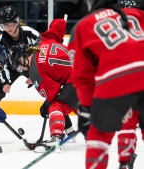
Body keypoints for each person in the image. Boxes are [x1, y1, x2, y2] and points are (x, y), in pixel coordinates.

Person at [67, 0, 144, 168]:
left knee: (98, 135)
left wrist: (87, 108)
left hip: (115, 79)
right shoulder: (136, 14)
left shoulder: (84, 25)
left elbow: (82, 76)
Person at [8, 18, 78, 153]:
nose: (20, 67)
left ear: (22, 58)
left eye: (18, 63)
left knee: (56, 106)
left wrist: (46, 105)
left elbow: (53, 94)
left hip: (79, 79)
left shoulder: (36, 72)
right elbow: (58, 25)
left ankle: (56, 137)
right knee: (77, 103)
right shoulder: (42, 41)